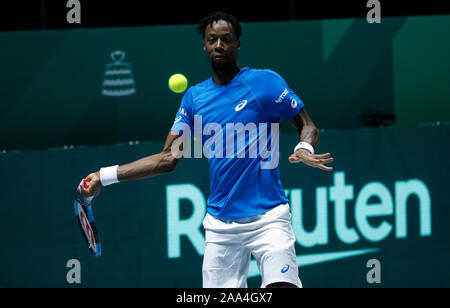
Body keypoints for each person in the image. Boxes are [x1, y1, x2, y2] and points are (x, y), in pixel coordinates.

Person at [79, 11, 334, 288]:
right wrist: (103, 176)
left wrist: (304, 147)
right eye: (212, 39)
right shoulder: (194, 99)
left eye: (226, 39)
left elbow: (307, 125)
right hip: (220, 227)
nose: (219, 45)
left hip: (269, 217)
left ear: (238, 43)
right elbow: (167, 159)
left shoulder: (265, 84)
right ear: (204, 45)